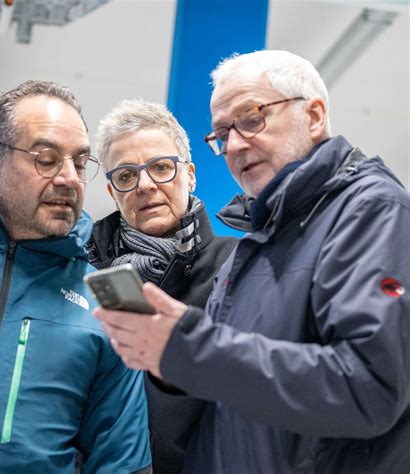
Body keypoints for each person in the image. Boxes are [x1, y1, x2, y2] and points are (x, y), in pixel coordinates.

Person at [94, 50, 410, 473]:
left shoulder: (371, 212)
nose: (235, 145)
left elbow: (368, 387)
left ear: (314, 116)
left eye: (252, 119)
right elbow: (228, 405)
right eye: (222, 134)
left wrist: (189, 347)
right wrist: (170, 371)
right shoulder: (259, 243)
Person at [0, 80, 151, 473]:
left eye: (80, 163)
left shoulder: (118, 295)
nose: (70, 178)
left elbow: (124, 462)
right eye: (47, 159)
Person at [87, 99, 238, 473]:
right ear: (112, 192)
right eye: (125, 176)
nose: (145, 185)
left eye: (160, 168)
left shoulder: (237, 267)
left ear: (190, 174)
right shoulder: (79, 275)